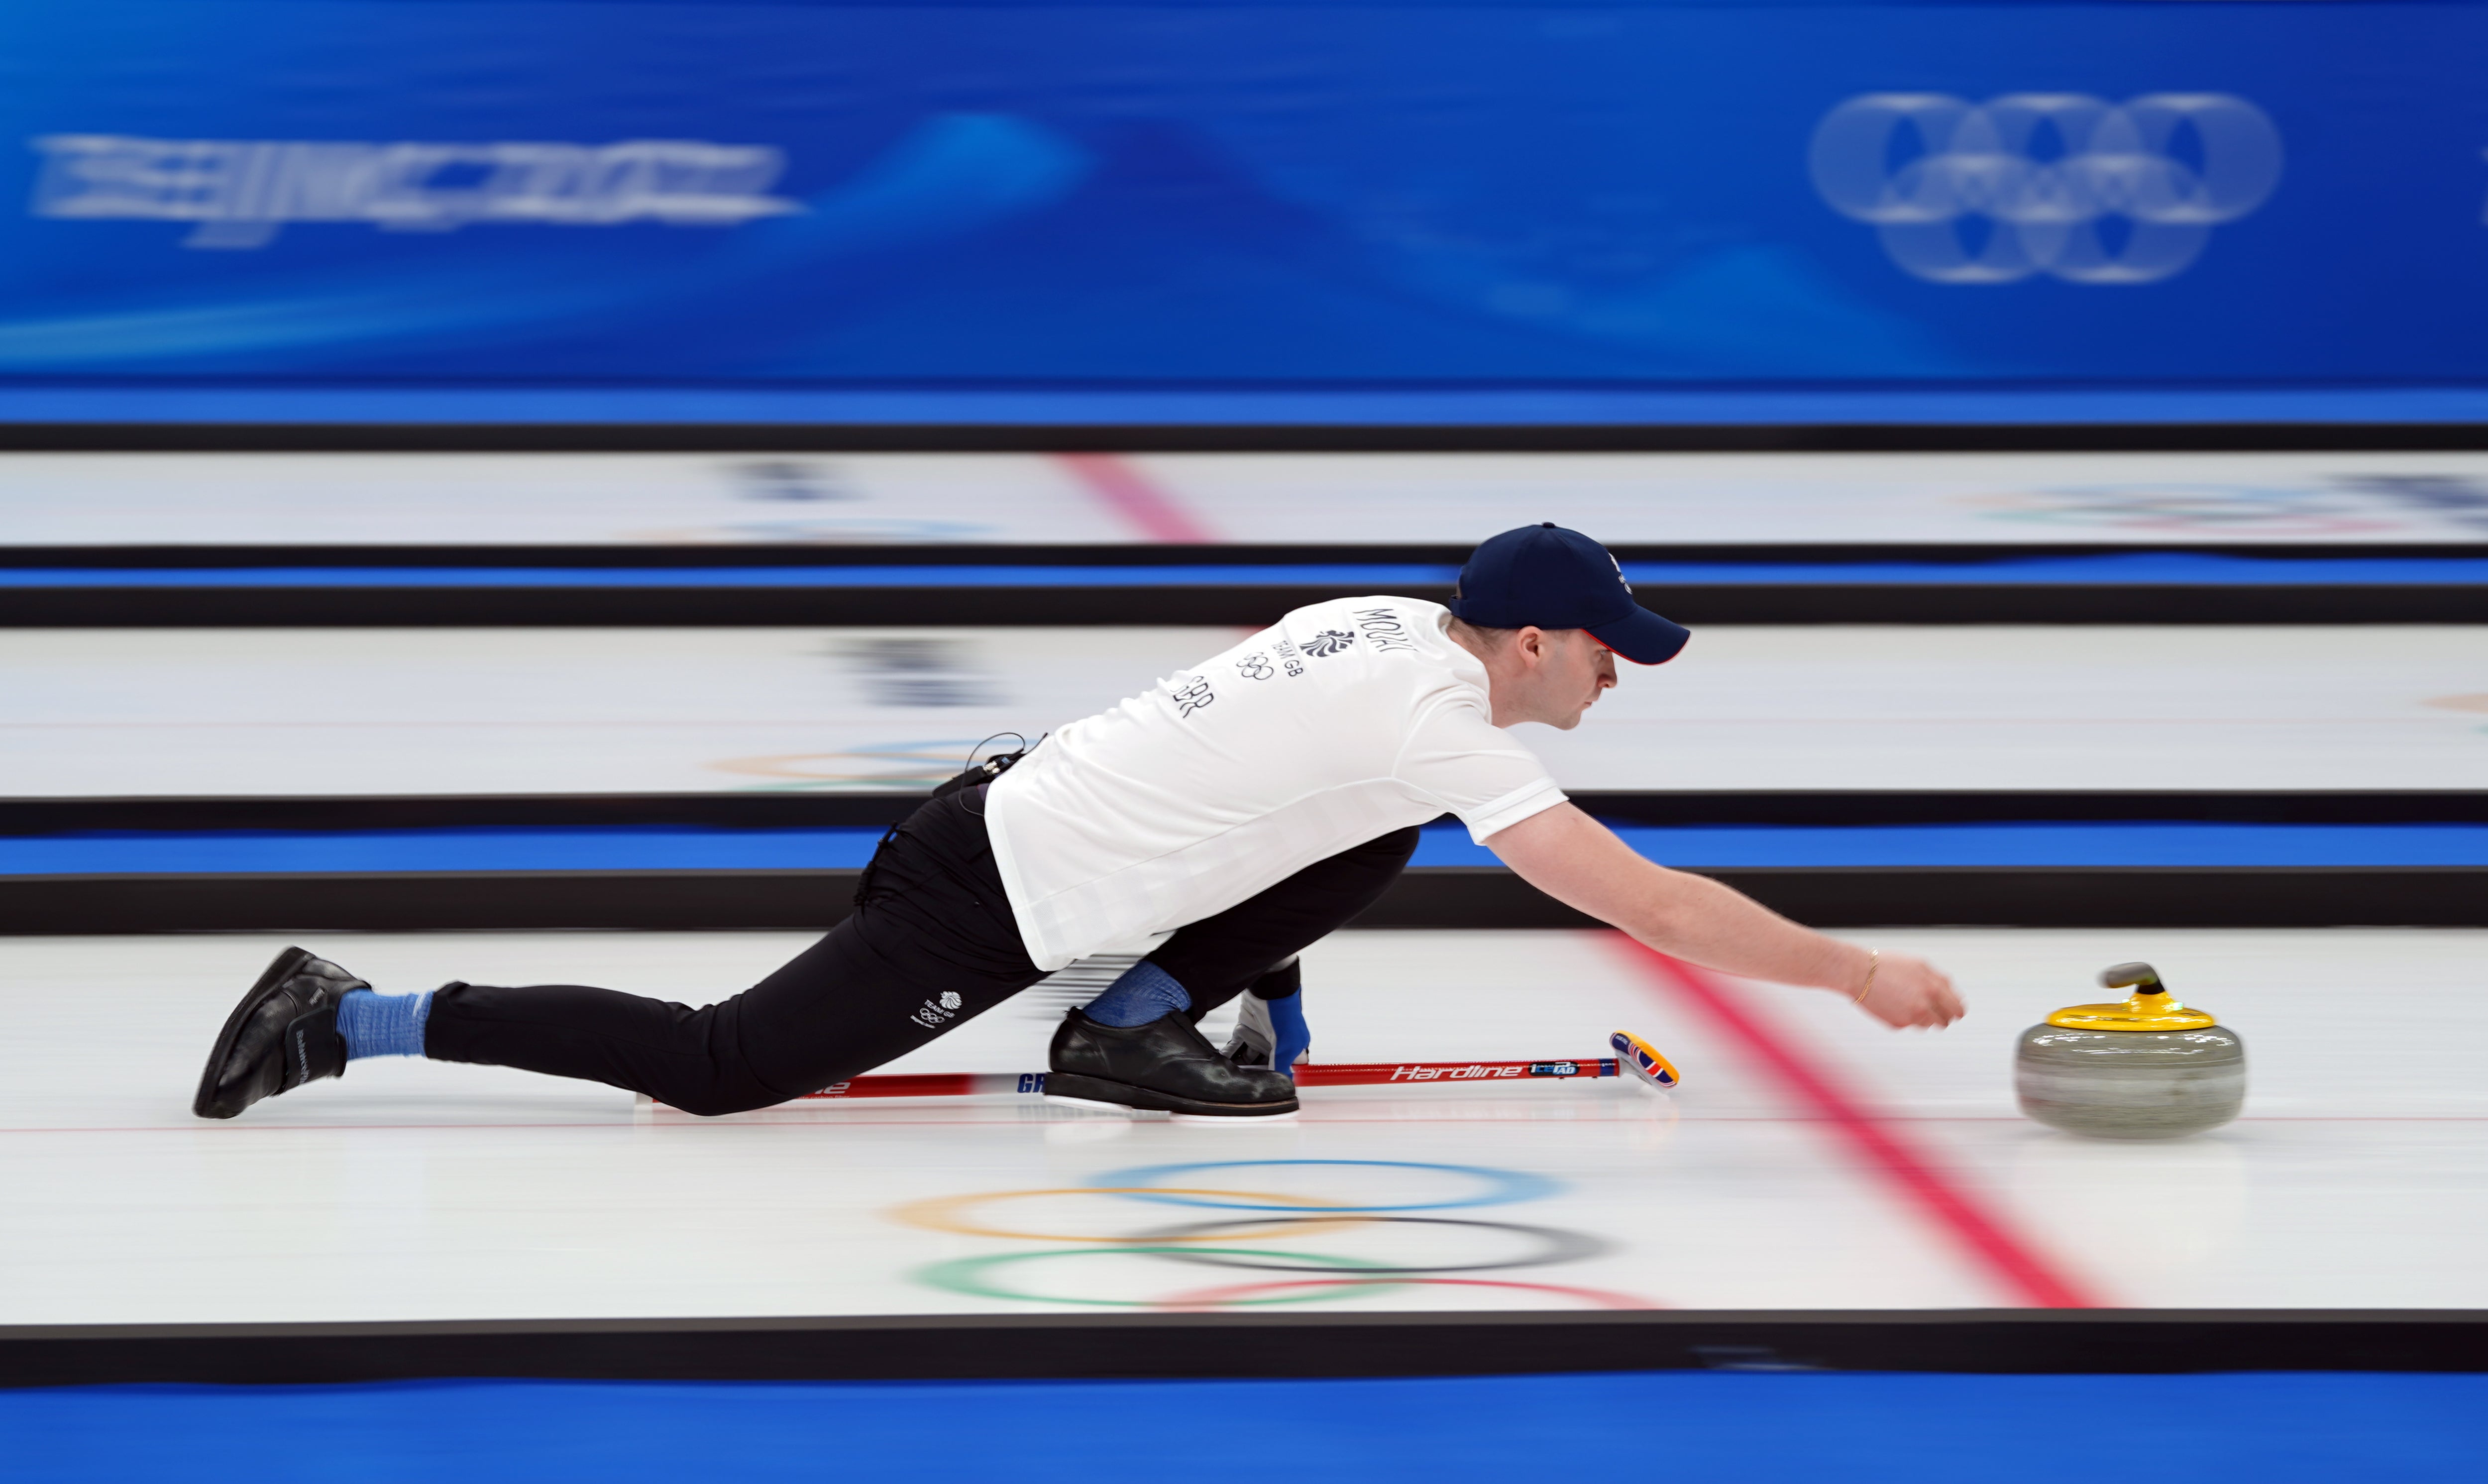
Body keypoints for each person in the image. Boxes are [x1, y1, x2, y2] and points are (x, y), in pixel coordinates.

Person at [193, 523, 1963, 1122]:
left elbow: (1291, 781)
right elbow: (1646, 907)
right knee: (724, 1071)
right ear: (1522, 638)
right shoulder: (1442, 710)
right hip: (988, 896)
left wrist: (1237, 968)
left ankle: (1135, 1020)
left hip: (1017, 811)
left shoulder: (1378, 627)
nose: (1617, 674)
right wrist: (1851, 969)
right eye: (1606, 650)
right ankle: (349, 1017)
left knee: (1374, 830)